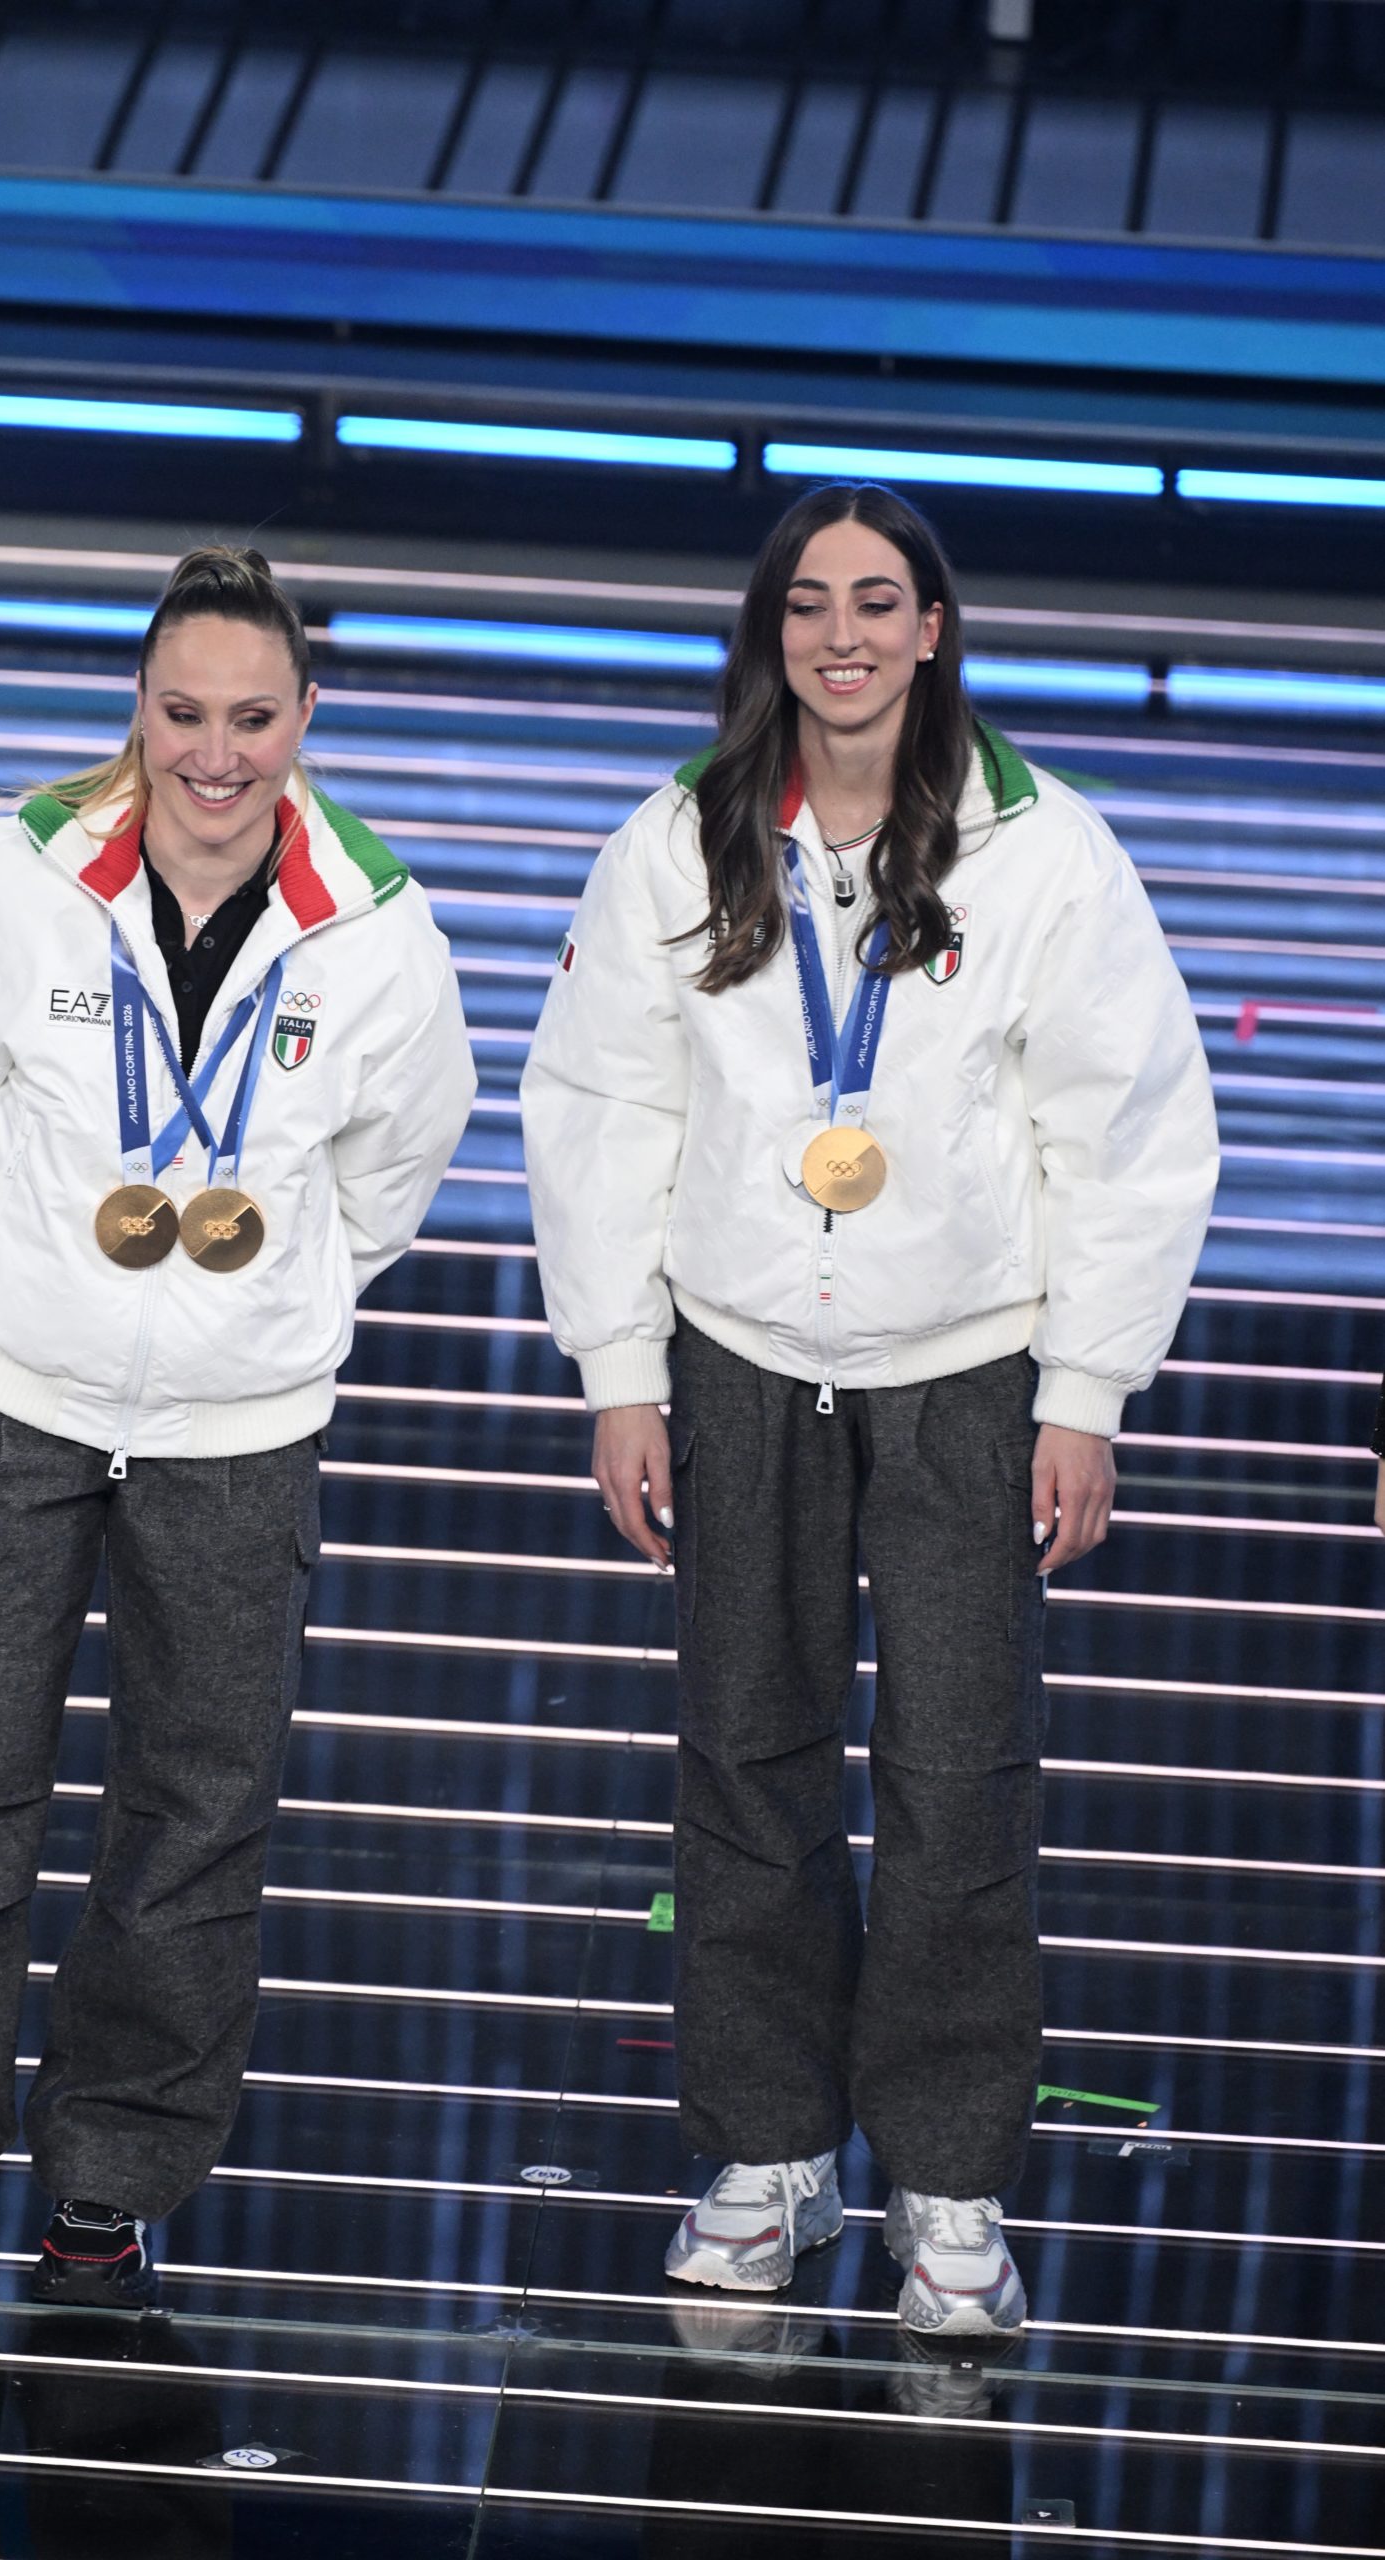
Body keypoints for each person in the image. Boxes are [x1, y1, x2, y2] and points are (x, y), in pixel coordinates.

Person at [521, 482, 1217, 2336]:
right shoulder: (680, 842)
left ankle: (949, 2179)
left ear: (931, 630)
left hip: (963, 1367)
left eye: (877, 601)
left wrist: (1085, 1393)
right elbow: (598, 1109)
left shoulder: (1039, 851)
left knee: (959, 1778)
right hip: (740, 1355)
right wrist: (617, 1372)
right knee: (744, 1763)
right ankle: (765, 2151)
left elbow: (1131, 1132)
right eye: (808, 601)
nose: (841, 633)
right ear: (769, 634)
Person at [0, 544, 475, 2306]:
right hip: (6, 1400)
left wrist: (275, 1308)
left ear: (303, 722)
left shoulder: (380, 929)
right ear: (138, 707)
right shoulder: (8, 881)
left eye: (253, 719)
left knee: (196, 1811)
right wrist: (1, 1291)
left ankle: (110, 2172)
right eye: (184, 713)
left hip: (240, 1425)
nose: (215, 753)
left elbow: (396, 1171)